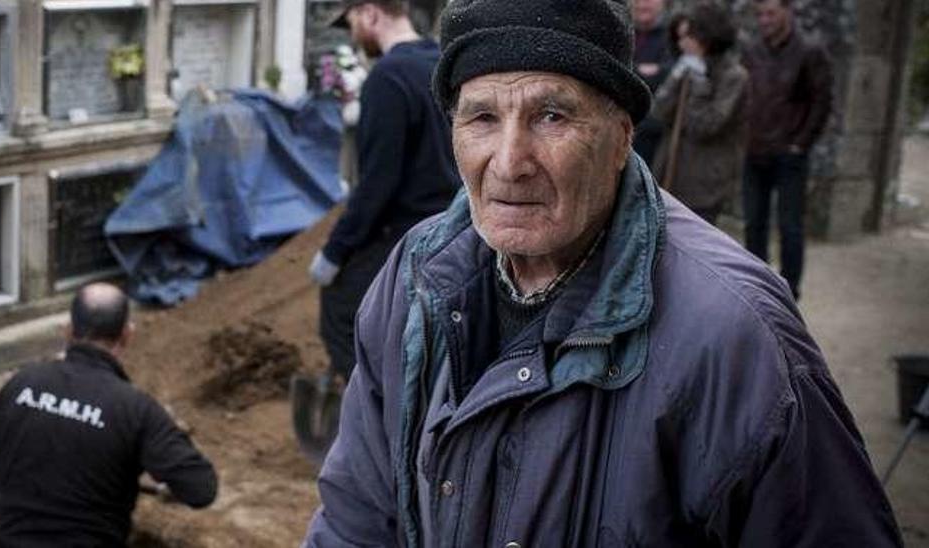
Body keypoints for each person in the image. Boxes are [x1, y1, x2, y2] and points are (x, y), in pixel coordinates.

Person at [305, 0, 901, 545]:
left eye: (552, 115)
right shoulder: (413, 281)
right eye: (482, 116)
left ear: (620, 139)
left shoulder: (736, 338)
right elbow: (355, 518)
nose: (509, 163)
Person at [0, 282, 217, 547]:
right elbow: (201, 489)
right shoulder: (136, 410)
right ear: (127, 335)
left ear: (68, 331)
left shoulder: (21, 383)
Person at [308, 0, 459, 379]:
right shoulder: (442, 62)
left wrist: (334, 252)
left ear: (371, 14)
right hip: (456, 225)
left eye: (354, 21)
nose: (354, 33)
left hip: (408, 234)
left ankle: (377, 420)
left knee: (340, 309)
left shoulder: (387, 78)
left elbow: (376, 184)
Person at [742, 0, 832, 300]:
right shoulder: (752, 50)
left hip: (788, 153)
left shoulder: (809, 51)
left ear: (787, 11)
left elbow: (822, 102)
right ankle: (758, 286)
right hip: (755, 150)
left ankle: (790, 292)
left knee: (790, 226)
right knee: (754, 223)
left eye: (770, 13)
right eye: (760, 14)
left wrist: (800, 144)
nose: (764, 20)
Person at [651, 2, 749, 223]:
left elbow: (706, 125)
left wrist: (698, 86)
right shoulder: (686, 66)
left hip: (703, 182)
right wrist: (675, 79)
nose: (682, 44)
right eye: (679, 37)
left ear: (706, 37)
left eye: (688, 37)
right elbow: (658, 112)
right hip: (671, 172)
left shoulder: (733, 77)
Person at [630, 0, 673, 166]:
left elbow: (671, 73)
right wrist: (642, 71)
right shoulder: (625, 32)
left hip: (658, 127)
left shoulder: (671, 35)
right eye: (638, 2)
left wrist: (638, 71)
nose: (642, 5)